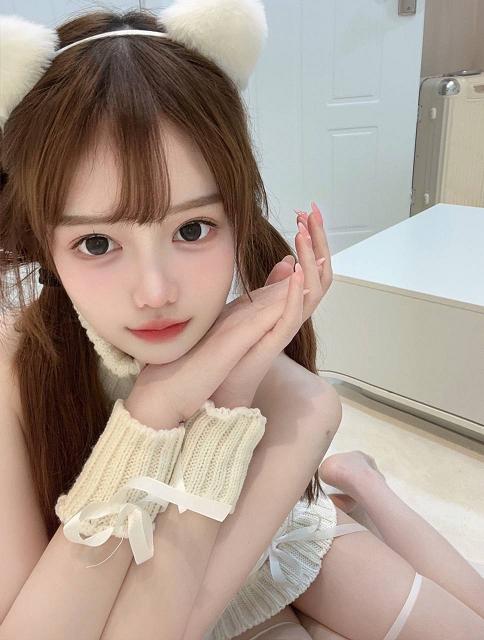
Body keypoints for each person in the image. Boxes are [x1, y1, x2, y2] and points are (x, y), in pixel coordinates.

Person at [0, 3, 483, 639]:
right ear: (45, 244)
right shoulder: (16, 369)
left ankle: (363, 483)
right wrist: (154, 409)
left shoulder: (295, 397)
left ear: (238, 218)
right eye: (96, 243)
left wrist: (228, 399)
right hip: (164, 598)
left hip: (268, 541)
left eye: (192, 229)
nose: (155, 292)